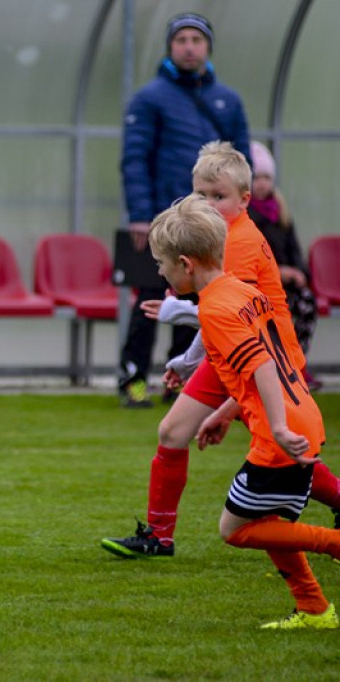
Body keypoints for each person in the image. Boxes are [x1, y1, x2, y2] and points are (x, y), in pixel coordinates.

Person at [102, 142, 340, 558]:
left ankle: (320, 561)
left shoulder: (241, 242)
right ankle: (159, 537)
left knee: (282, 446)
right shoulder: (218, 236)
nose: (208, 204)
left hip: (267, 358)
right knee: (174, 432)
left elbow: (235, 319)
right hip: (240, 352)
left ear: (244, 199)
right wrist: (186, 359)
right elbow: (218, 316)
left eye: (219, 196)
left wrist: (179, 314)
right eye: (200, 195)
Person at [144, 195, 339, 629]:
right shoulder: (241, 290)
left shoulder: (215, 308)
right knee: (266, 521)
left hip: (282, 434)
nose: (160, 272)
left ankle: (334, 544)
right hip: (303, 415)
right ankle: (313, 608)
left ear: (185, 263)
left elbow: (263, 365)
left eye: (161, 264)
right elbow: (264, 364)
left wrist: (276, 427)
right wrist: (228, 413)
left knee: (235, 530)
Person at [118, 12, 250, 407]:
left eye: (196, 39)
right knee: (149, 302)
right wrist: (141, 214)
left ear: (208, 46)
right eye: (182, 40)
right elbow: (135, 159)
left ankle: (179, 383)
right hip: (158, 223)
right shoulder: (149, 98)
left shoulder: (228, 100)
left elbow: (242, 162)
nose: (189, 46)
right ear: (170, 47)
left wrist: (238, 214)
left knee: (198, 302)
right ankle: (134, 380)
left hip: (209, 227)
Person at [248, 141, 321, 391]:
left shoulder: (281, 212)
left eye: (267, 177)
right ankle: (279, 363)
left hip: (285, 282)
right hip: (261, 285)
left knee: (307, 303)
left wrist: (299, 272)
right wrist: (279, 271)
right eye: (256, 177)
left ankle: (296, 359)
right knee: (281, 310)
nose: (262, 183)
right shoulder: (245, 215)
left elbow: (294, 249)